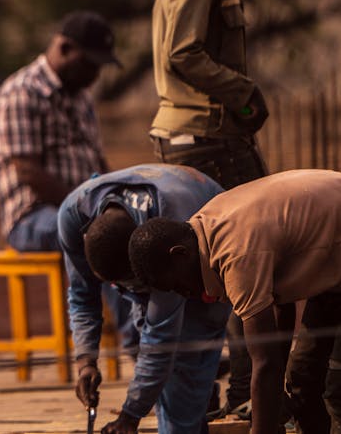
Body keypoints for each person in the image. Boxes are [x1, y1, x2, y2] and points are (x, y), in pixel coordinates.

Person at [149, 0, 282, 418]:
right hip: (208, 139)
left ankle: (228, 396)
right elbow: (184, 54)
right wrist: (244, 94)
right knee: (259, 262)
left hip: (203, 136)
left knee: (221, 273)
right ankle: (252, 399)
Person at [129, 169, 341, 434]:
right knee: (302, 377)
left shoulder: (235, 255)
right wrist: (271, 403)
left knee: (338, 387)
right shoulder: (206, 222)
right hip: (332, 269)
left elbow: (265, 363)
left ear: (180, 255)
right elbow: (280, 311)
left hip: (337, 260)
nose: (185, 295)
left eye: (178, 286)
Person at [58, 163, 230, 434]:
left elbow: (160, 341)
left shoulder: (166, 234)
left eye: (138, 286)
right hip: (167, 234)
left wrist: (129, 416)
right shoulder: (73, 214)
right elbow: (81, 296)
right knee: (169, 376)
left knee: (184, 366)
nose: (134, 295)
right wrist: (85, 362)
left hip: (204, 254)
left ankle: (192, 405)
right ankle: (198, 402)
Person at [0, 10, 119, 252]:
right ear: (65, 48)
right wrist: (84, 208)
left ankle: (124, 290)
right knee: (102, 237)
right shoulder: (22, 92)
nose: (95, 75)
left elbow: (99, 162)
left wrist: (116, 200)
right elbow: (28, 172)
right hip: (31, 217)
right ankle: (84, 292)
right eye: (89, 64)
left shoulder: (83, 98)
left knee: (127, 229)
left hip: (85, 210)